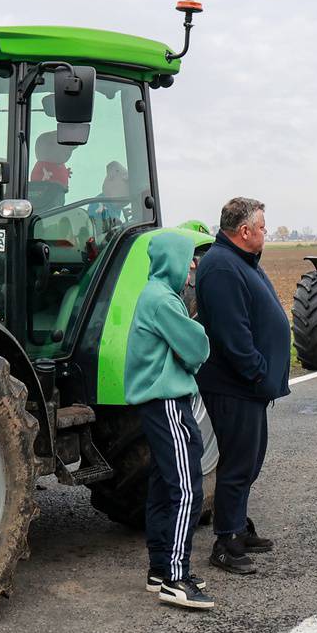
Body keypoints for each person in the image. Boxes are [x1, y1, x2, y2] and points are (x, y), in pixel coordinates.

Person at [195, 196, 291, 576]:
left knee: (250, 460)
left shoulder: (240, 261)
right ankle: (226, 541)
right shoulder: (221, 267)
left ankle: (238, 523)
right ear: (245, 231)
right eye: (264, 227)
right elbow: (232, 333)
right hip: (234, 384)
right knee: (237, 463)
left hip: (251, 386)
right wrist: (256, 372)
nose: (267, 232)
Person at [123, 230, 215, 609]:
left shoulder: (153, 295)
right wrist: (195, 348)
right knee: (187, 488)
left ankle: (160, 567)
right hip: (167, 402)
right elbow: (196, 346)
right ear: (172, 261)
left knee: (163, 486)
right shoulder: (163, 300)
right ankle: (176, 578)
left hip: (157, 403)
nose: (193, 264)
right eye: (187, 257)